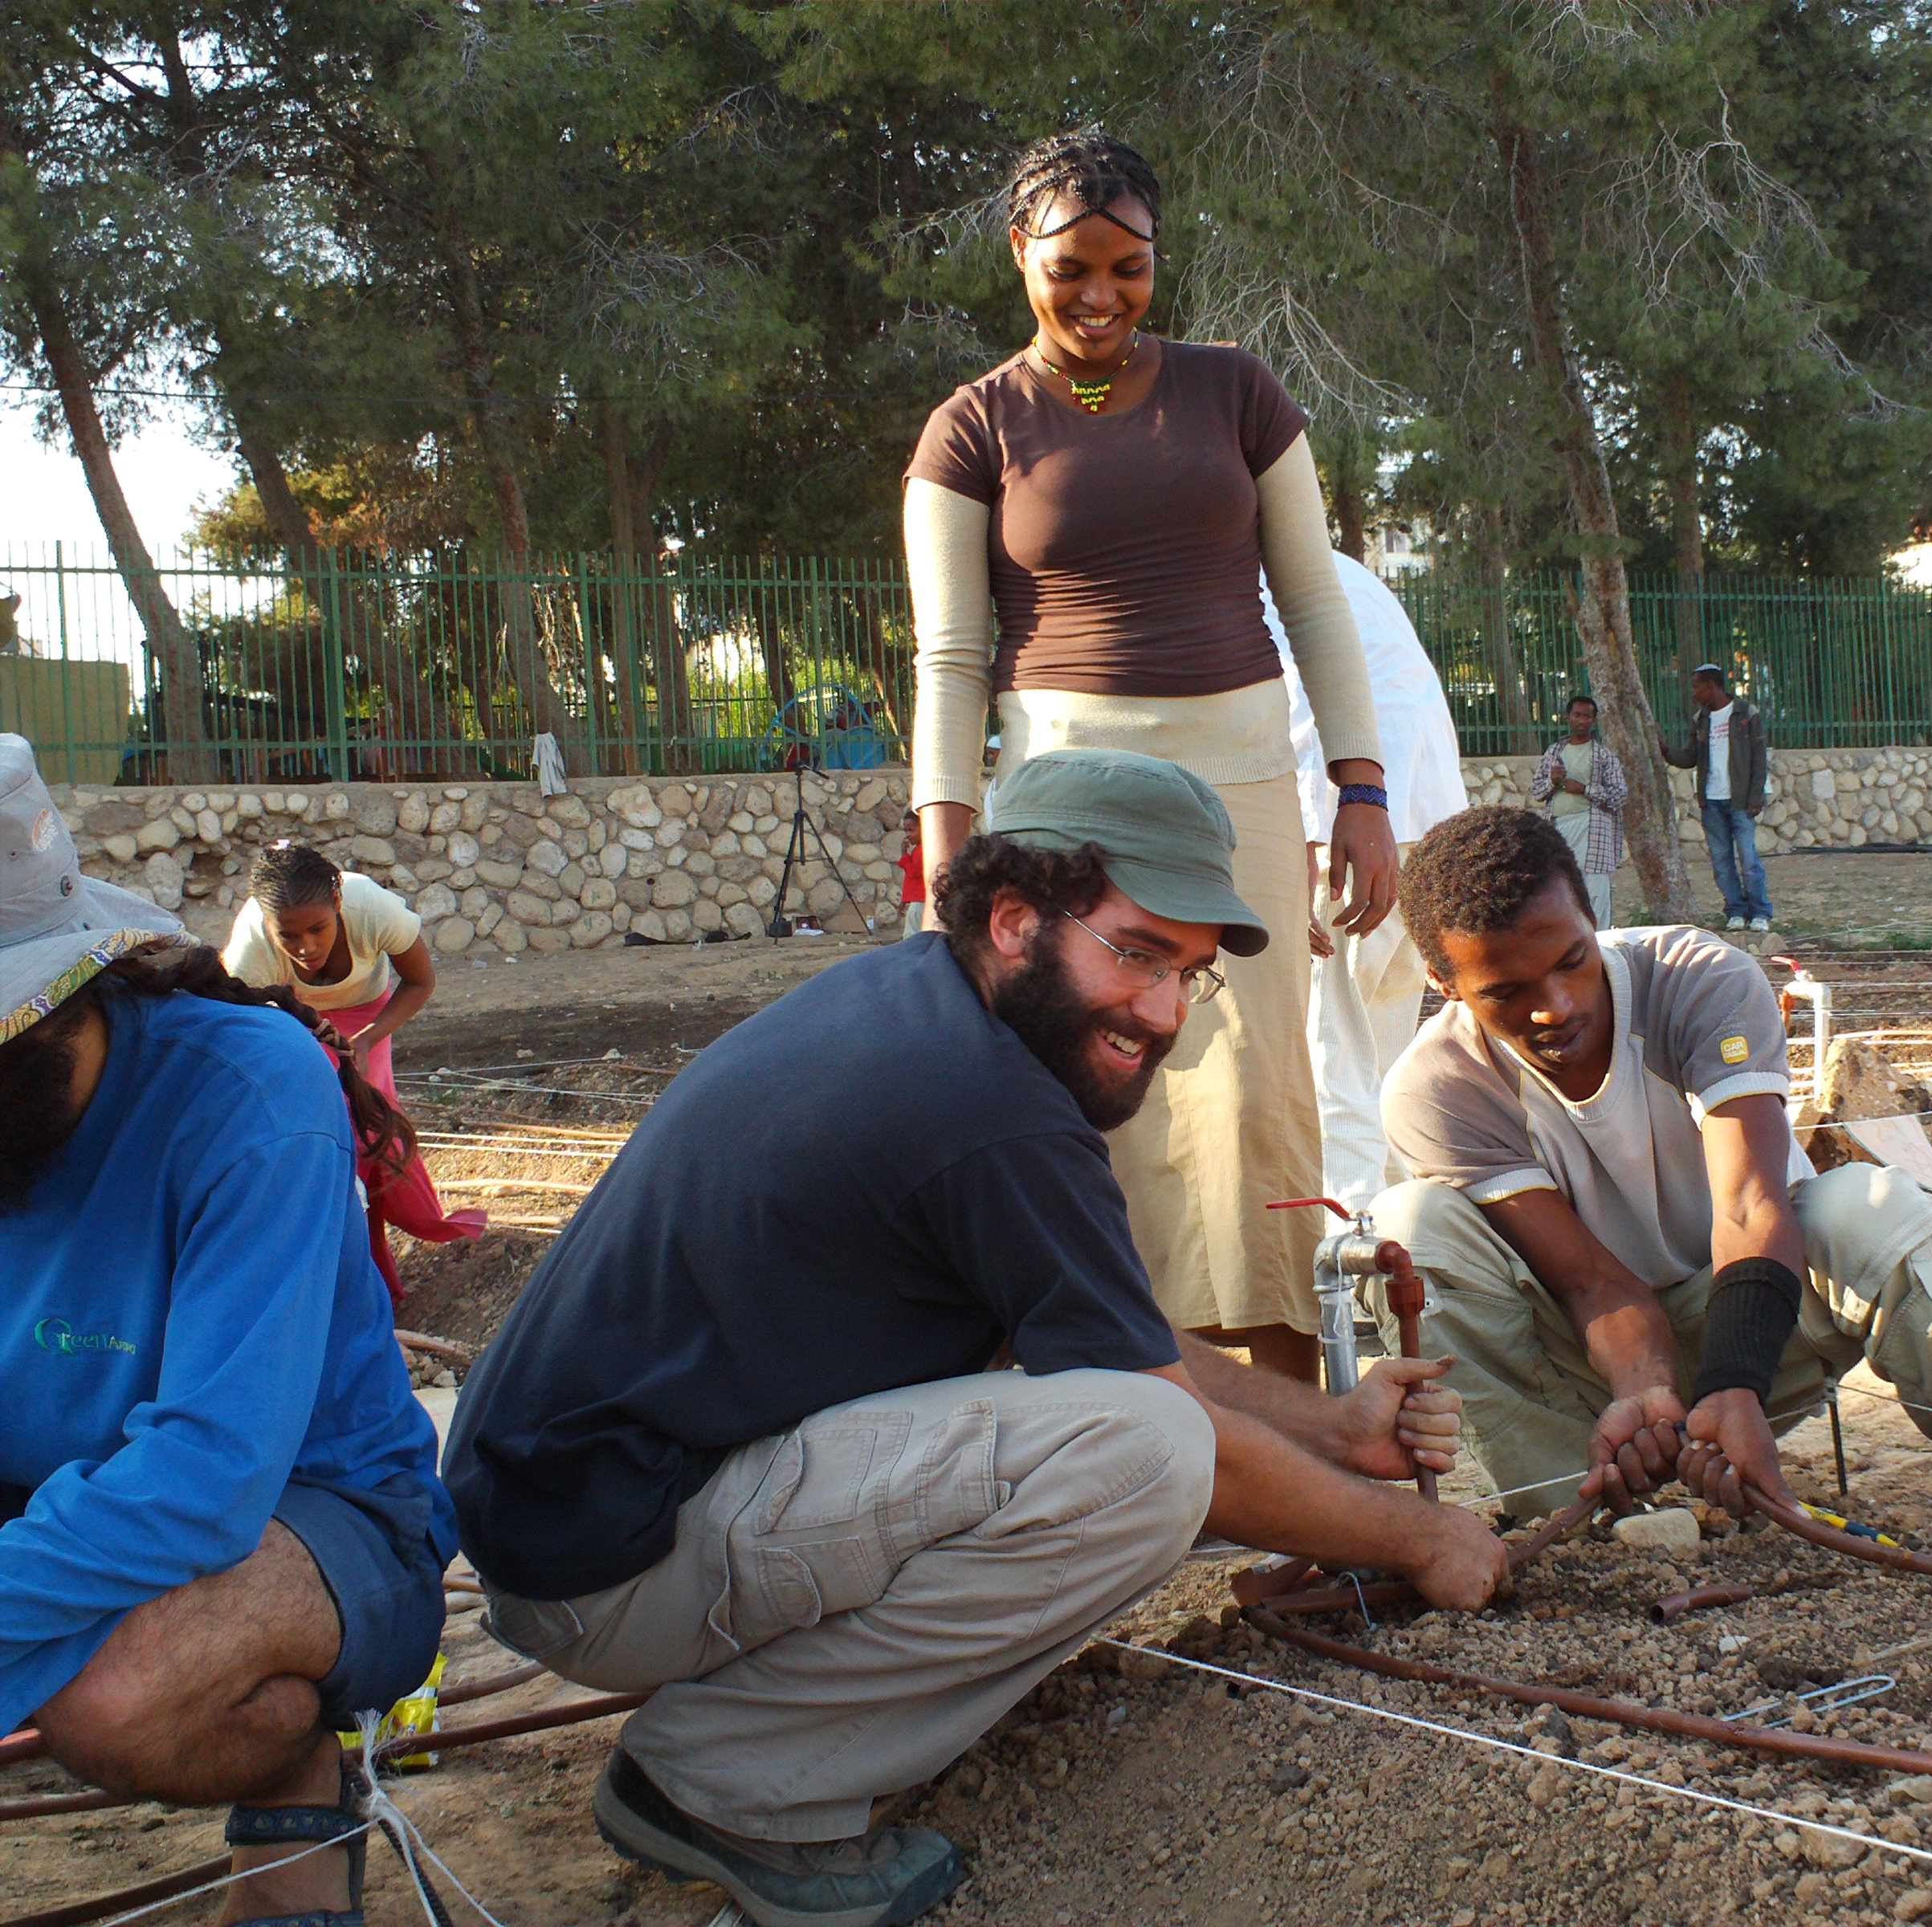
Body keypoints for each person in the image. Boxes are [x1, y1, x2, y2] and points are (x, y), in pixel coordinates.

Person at [444, 749, 1504, 1927]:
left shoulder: (925, 1007)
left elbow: (1112, 1334)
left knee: (1134, 1421)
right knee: (1149, 1456)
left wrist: (1332, 1424)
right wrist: (1420, 1537)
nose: (1161, 1014)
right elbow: (1159, 1420)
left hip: (578, 1524)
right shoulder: (988, 1109)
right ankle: (722, 1785)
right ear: (1014, 918)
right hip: (612, 1564)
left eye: (1188, 976)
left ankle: (762, 1741)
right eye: (1137, 951)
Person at [903, 131, 1392, 1383]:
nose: (1101, 297)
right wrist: (953, 862)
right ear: (1021, 253)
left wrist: (1360, 790)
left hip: (1237, 777)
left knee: (1256, 1086)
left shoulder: (1239, 393)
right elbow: (954, 660)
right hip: (1064, 787)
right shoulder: (970, 429)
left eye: (1129, 267)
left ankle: (1283, 1397)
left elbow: (1317, 607)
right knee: (1076, 1071)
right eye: (1071, 267)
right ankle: (1100, 1377)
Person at [0, 735, 454, 1927]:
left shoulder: (247, 1093)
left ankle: (292, 1767)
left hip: (316, 1511)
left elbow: (209, 1476)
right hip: (73, 1487)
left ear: (45, 1017)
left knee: (115, 1692)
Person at [1368, 806, 1932, 1549]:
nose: (1556, 1007)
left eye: (1572, 960)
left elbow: (1750, 1203)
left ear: (1589, 915)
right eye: (1506, 993)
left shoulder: (1696, 981)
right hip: (1591, 1363)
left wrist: (1733, 1384)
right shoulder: (1437, 1087)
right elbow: (1588, 1283)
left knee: (1881, 1210)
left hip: (1760, 1313)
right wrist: (1648, 1395)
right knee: (1412, 1230)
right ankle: (1578, 1526)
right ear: (1443, 979)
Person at [1271, 552, 1469, 1216]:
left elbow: (1293, 705)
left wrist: (1299, 836)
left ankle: (1349, 1257)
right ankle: (1401, 1240)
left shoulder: (1259, 573)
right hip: (1423, 824)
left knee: (1333, 1059)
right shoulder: (1346, 570)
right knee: (1379, 1062)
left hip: (1349, 826)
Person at [222, 841, 483, 1299]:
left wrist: (368, 1038)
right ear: (268, 928)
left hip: (369, 1014)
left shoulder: (370, 907)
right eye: (290, 936)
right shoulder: (251, 951)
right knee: (327, 1133)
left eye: (319, 929)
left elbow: (420, 981)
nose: (307, 948)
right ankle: (350, 1273)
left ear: (339, 905)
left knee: (373, 1124)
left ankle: (387, 1252)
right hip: (292, 1022)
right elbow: (243, 1033)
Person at [1664, 662, 1774, 933]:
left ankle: (1760, 913)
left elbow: (1759, 759)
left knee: (1749, 859)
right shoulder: (1700, 719)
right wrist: (1664, 748)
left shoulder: (1746, 713)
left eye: (1696, 686)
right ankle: (1735, 911)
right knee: (1722, 862)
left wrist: (1756, 795)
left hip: (1741, 800)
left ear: (1711, 685)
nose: (1693, 693)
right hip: (1711, 801)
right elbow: (1690, 758)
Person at [1531, 695, 1627, 927]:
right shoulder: (1555, 752)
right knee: (1563, 884)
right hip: (1559, 827)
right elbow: (1537, 791)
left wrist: (1584, 789)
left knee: (1595, 888)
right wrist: (1552, 782)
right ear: (1568, 717)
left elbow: (1619, 795)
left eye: (1588, 716)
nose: (1582, 721)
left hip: (1591, 827)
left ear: (1594, 720)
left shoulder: (1603, 755)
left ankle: (1601, 942)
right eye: (1577, 715)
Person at [897, 809, 927, 939]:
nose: (908, 835)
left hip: (920, 903)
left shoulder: (923, 850)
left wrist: (904, 855)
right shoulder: (916, 851)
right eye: (906, 831)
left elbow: (913, 873)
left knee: (911, 938)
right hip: (916, 902)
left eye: (911, 830)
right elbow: (910, 881)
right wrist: (905, 900)